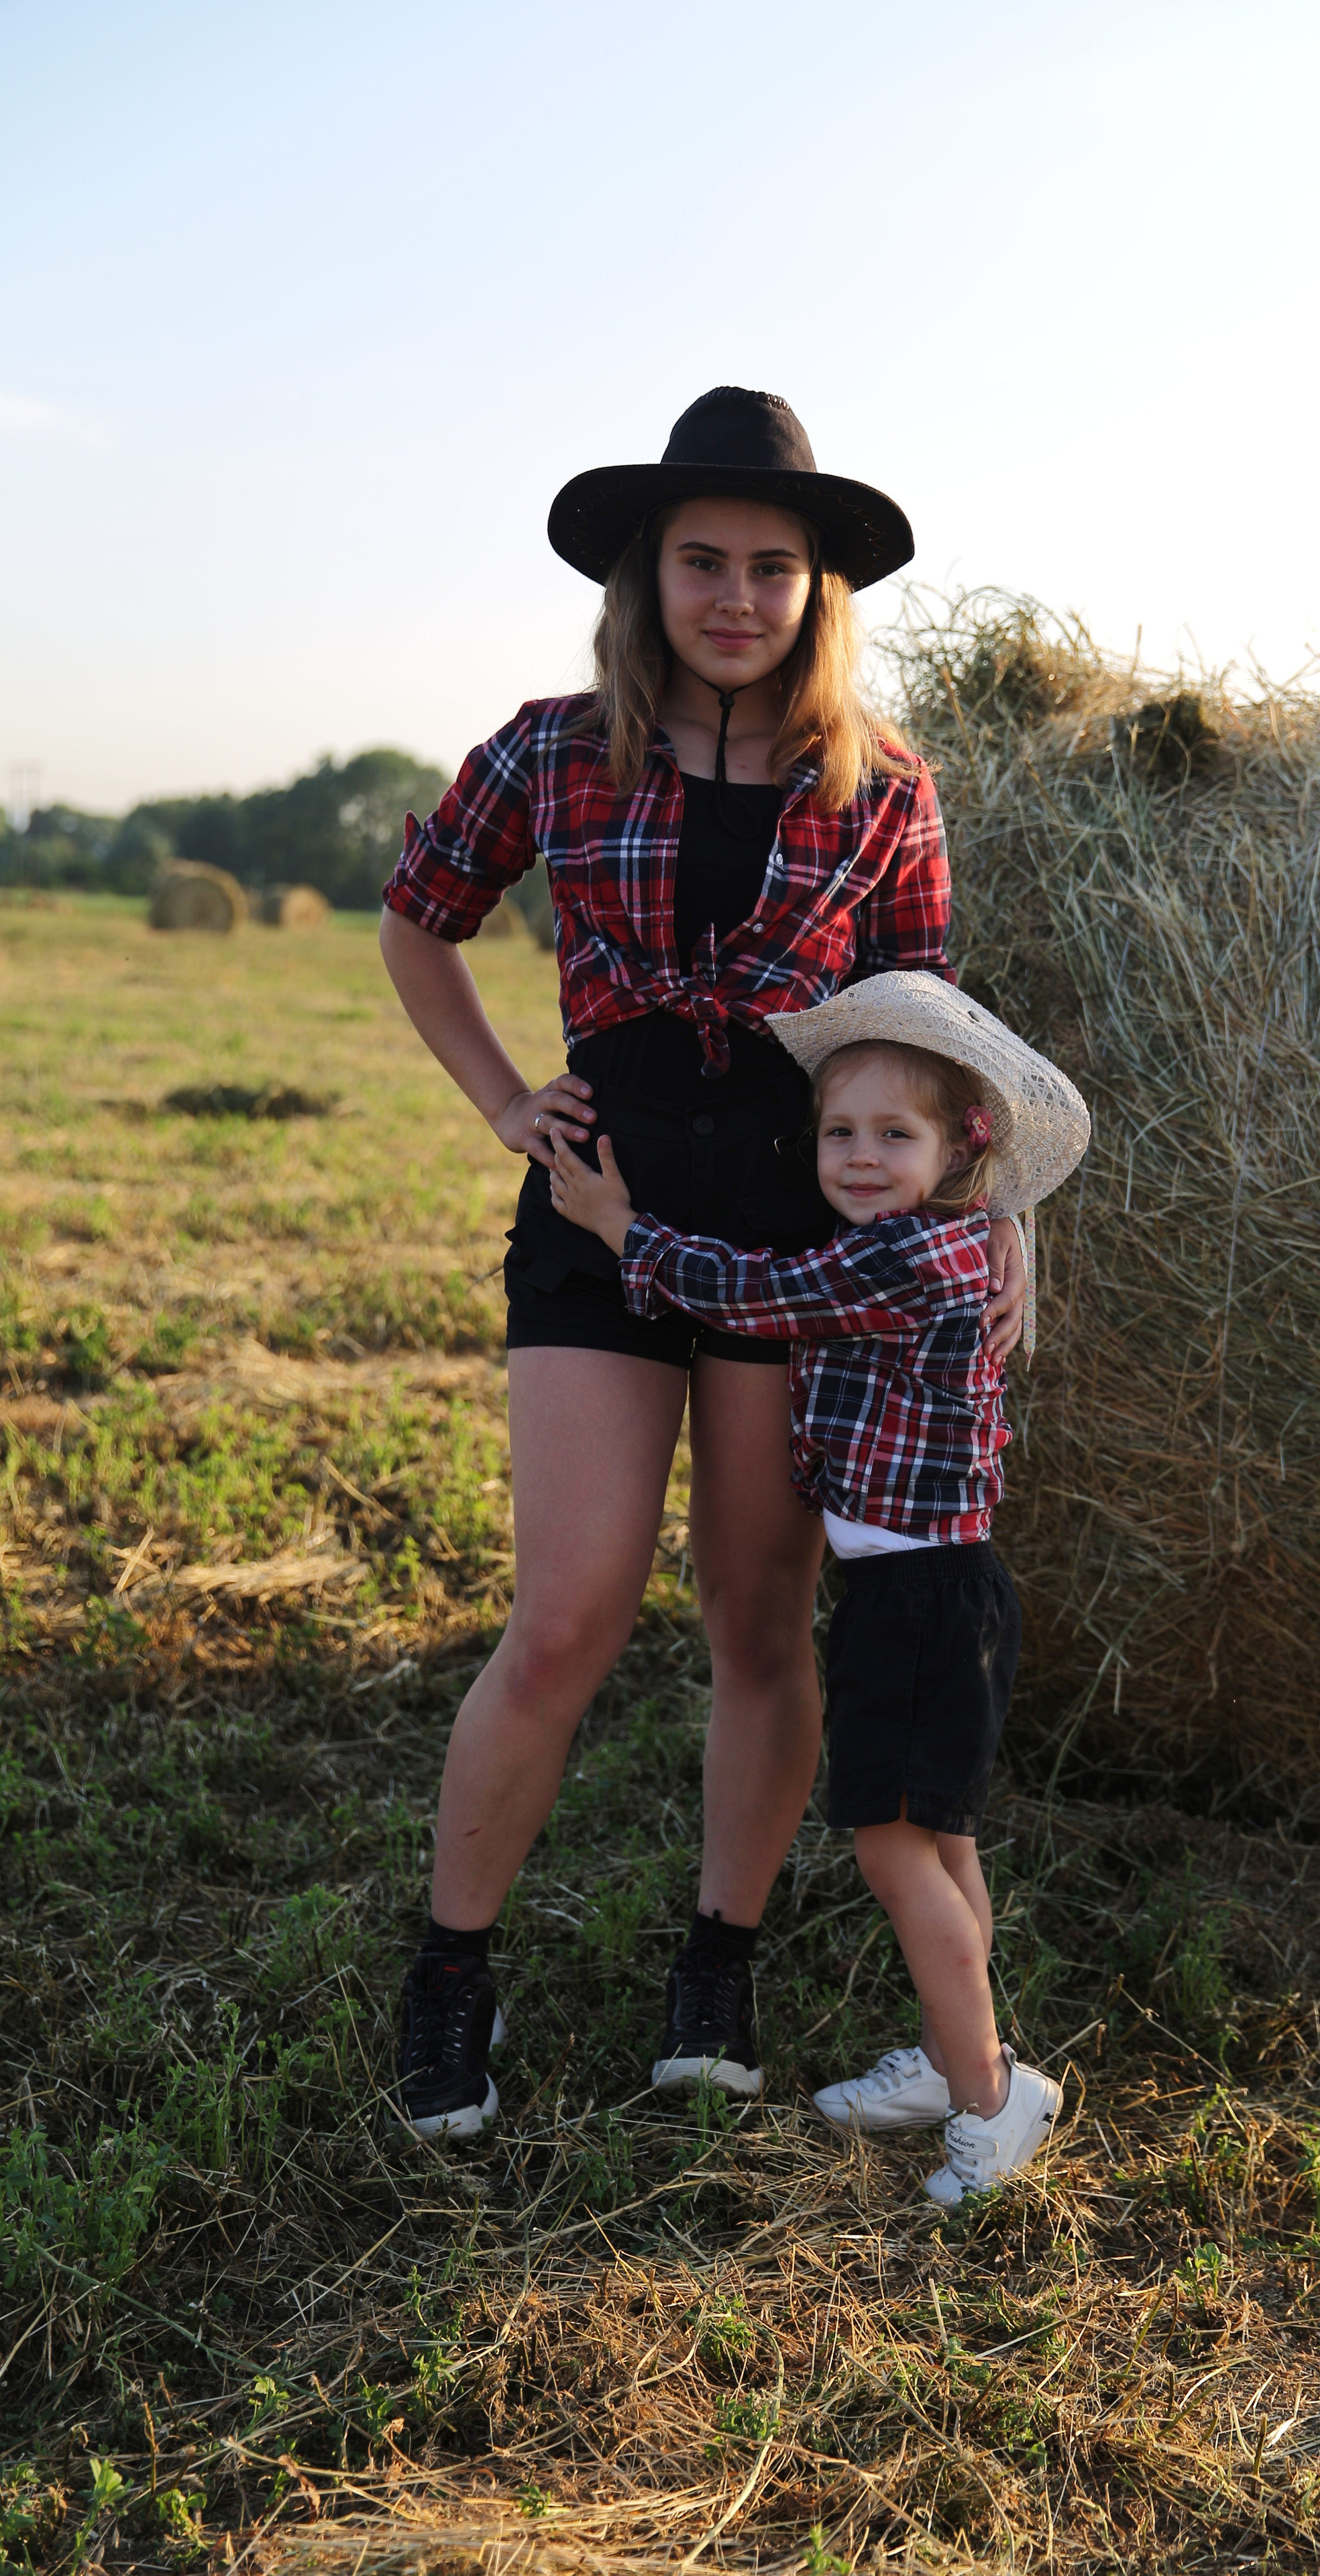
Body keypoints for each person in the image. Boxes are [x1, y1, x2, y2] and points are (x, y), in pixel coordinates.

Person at [378, 388, 1027, 2140]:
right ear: (645, 575)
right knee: (571, 1613)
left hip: (793, 1232)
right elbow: (417, 915)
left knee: (757, 1621)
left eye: (773, 566)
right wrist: (508, 1096)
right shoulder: (549, 749)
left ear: (820, 590)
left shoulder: (884, 785)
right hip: (602, 1204)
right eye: (702, 563)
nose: (737, 595)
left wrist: (998, 1216)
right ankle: (451, 1972)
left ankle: (717, 1956)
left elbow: (927, 1034)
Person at [549, 970, 1089, 2204]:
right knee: (941, 1845)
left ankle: (992, 2104)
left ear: (966, 1148)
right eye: (838, 1133)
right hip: (938, 1594)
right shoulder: (935, 1241)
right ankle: (968, 2057)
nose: (857, 1157)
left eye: (894, 1135)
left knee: (897, 1852)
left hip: (918, 1603)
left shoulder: (908, 1259)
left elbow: (754, 1293)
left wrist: (619, 1227)